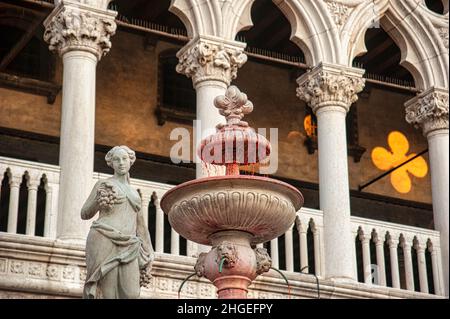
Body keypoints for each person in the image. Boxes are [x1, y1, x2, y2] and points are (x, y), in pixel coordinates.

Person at [81, 145, 154, 298]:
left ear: (130, 162)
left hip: (130, 245)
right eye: (116, 159)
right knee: (109, 293)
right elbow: (85, 213)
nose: (121, 162)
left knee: (132, 294)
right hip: (104, 239)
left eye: (124, 159)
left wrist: (149, 251)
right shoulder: (104, 184)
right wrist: (98, 202)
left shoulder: (134, 193)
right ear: (111, 163)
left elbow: (141, 226)